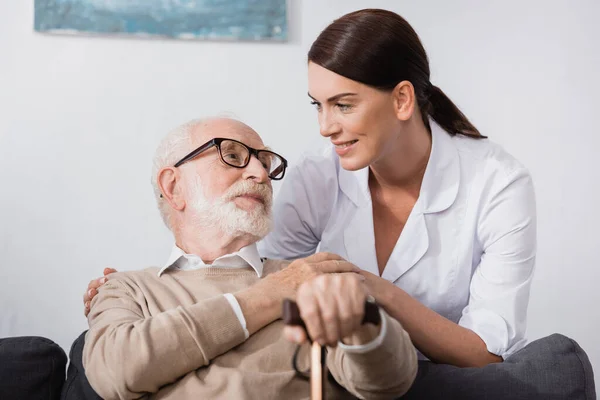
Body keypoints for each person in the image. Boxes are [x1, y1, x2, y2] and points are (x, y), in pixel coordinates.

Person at [86, 8, 535, 369]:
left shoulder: (498, 184)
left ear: (402, 99)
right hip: (343, 373)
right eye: (317, 106)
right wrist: (130, 297)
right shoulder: (320, 172)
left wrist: (368, 288)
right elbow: (255, 274)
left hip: (444, 380)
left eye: (343, 105)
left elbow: (487, 352)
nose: (325, 127)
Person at [81, 117, 418, 400]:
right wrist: (272, 293)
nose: (260, 173)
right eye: (231, 155)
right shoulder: (126, 288)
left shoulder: (314, 279)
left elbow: (389, 383)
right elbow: (115, 370)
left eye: (265, 162)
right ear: (174, 187)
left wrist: (362, 323)